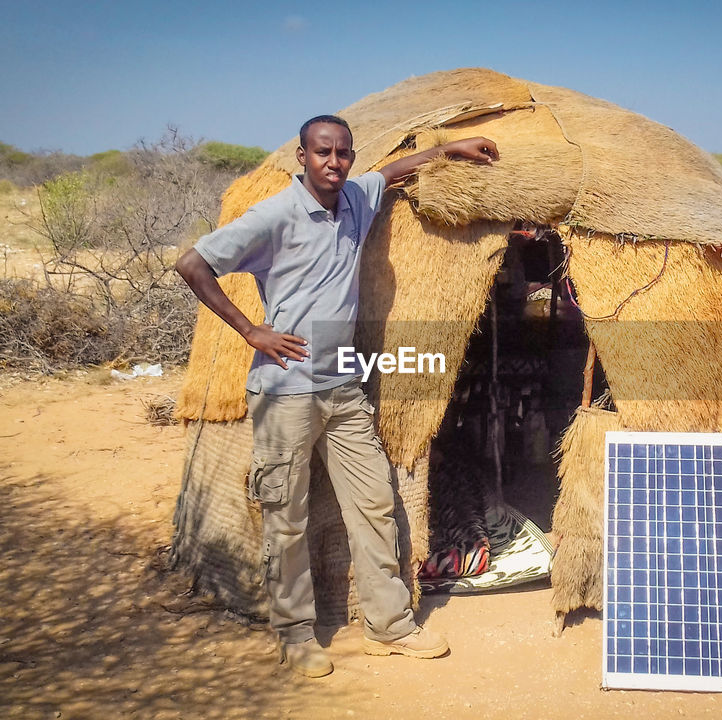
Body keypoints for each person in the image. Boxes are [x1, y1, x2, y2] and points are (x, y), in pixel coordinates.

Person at [175, 115, 498, 678]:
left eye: (343, 153)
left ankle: (389, 627)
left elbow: (392, 172)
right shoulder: (275, 214)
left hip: (344, 387)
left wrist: (452, 149)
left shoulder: (355, 199)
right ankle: (296, 635)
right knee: (286, 516)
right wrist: (252, 331)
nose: (334, 162)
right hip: (285, 393)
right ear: (302, 155)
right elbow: (193, 264)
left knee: (375, 504)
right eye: (323, 152)